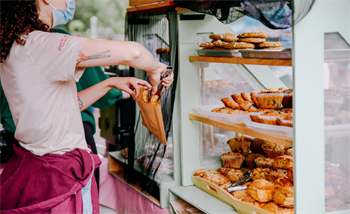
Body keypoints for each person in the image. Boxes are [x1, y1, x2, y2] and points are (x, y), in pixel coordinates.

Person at [0, 0, 174, 213]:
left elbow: (61, 107)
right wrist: (157, 68)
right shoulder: (42, 44)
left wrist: (108, 83)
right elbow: (134, 53)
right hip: (60, 176)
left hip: (35, 166)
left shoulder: (16, 45)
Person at [0, 28, 127, 192]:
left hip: (18, 137)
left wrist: (110, 85)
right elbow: (130, 54)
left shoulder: (8, 44)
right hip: (67, 139)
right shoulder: (56, 40)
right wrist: (118, 90)